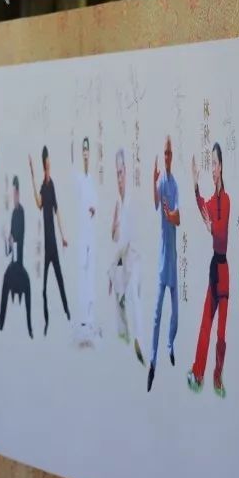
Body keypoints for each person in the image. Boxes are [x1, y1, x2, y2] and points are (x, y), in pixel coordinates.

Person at [186, 143, 231, 397]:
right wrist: (194, 184)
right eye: (210, 164)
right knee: (205, 324)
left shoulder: (226, 200)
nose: (212, 168)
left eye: (215, 163)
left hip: (224, 272)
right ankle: (198, 373)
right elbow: (203, 206)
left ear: (221, 166)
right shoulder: (213, 200)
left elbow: (220, 231)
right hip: (215, 267)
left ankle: (217, 376)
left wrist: (210, 224)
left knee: (221, 334)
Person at [147, 137, 181, 392]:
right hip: (162, 259)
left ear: (173, 155)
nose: (167, 156)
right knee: (157, 314)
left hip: (173, 259)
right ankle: (152, 360)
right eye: (165, 152)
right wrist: (152, 180)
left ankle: (170, 345)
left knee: (175, 312)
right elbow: (156, 203)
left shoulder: (175, 184)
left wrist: (171, 215)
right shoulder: (160, 182)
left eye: (170, 152)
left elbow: (177, 217)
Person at [108, 150, 145, 365]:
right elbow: (114, 237)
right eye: (116, 174)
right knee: (118, 292)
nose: (119, 179)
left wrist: (113, 263)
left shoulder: (129, 203)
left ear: (127, 173)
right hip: (124, 262)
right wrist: (113, 226)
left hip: (135, 262)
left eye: (121, 173)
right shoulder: (119, 204)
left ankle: (139, 341)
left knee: (134, 297)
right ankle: (123, 333)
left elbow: (122, 242)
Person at [30, 146, 70, 336]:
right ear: (43, 165)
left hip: (53, 242)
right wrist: (31, 176)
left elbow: (57, 211)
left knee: (60, 280)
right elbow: (38, 204)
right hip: (46, 246)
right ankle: (46, 322)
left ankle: (67, 311)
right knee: (44, 288)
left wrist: (63, 236)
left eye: (49, 164)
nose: (49, 167)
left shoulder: (51, 185)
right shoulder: (42, 186)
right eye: (46, 164)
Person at [0, 176, 33, 338]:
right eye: (13, 194)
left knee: (22, 281)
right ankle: (1, 322)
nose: (15, 197)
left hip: (20, 266)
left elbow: (20, 235)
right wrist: (7, 240)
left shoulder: (22, 213)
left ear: (19, 194)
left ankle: (29, 326)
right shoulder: (13, 213)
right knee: (5, 281)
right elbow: (8, 251)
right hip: (13, 263)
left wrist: (13, 239)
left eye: (16, 193)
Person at [74, 137, 99, 346]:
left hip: (91, 235)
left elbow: (95, 204)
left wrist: (94, 209)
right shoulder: (79, 178)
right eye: (82, 149)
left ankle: (90, 320)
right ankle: (82, 320)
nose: (84, 152)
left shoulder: (91, 179)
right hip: (81, 235)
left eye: (86, 149)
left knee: (90, 276)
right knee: (82, 276)